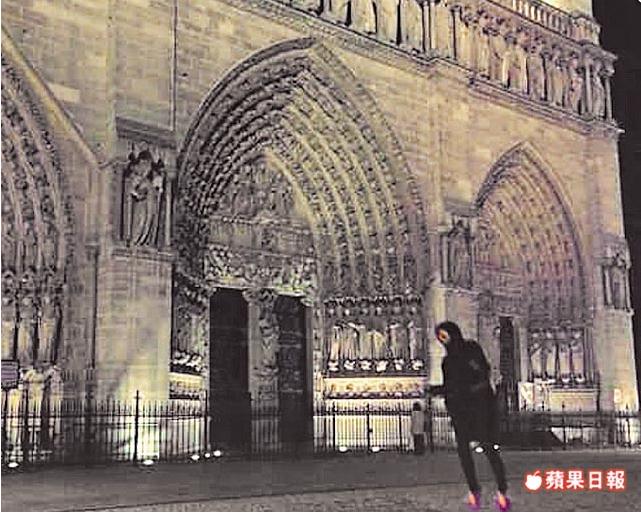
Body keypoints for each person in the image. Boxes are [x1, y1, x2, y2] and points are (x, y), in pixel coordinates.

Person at [428, 321, 510, 512]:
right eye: (440, 337)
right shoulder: (447, 361)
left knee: (488, 447)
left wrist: (465, 387)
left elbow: (482, 372)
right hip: (460, 410)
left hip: (478, 407)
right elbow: (450, 386)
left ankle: (502, 489)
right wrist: (437, 390)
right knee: (463, 452)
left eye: (445, 335)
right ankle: (474, 489)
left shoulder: (471, 348)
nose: (443, 340)